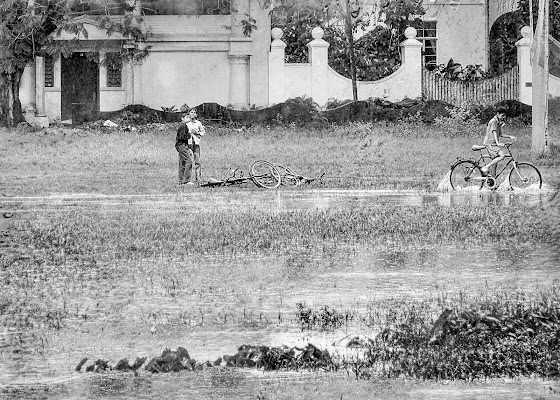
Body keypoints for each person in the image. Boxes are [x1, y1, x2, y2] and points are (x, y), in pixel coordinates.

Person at [481, 106, 516, 176]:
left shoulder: (498, 122)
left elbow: (500, 134)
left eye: (505, 116)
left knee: (495, 163)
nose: (504, 117)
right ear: (497, 114)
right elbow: (494, 132)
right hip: (490, 144)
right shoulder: (493, 121)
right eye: (502, 115)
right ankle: (485, 167)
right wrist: (498, 143)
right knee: (502, 155)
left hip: (493, 144)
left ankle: (491, 182)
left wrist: (510, 136)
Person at [184, 108, 206, 183]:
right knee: (189, 162)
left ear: (196, 114)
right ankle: (187, 180)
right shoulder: (187, 124)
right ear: (189, 114)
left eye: (194, 112)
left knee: (198, 161)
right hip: (189, 144)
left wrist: (197, 133)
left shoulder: (198, 123)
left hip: (196, 144)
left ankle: (198, 179)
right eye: (191, 112)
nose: (193, 114)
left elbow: (203, 132)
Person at [175, 114, 194, 185]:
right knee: (189, 161)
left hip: (180, 145)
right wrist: (190, 134)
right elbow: (183, 137)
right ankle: (186, 180)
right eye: (187, 117)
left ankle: (181, 180)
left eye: (189, 117)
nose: (188, 118)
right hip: (182, 145)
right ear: (182, 118)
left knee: (182, 163)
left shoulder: (183, 126)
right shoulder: (183, 126)